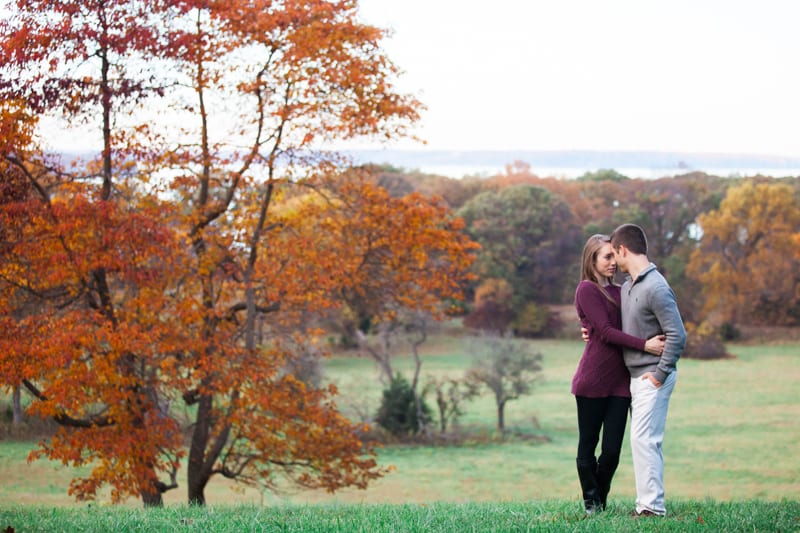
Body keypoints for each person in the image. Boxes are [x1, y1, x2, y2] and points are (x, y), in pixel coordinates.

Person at [572, 234, 665, 515]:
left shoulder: (622, 291)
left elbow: (634, 322)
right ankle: (593, 504)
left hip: (621, 382)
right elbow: (607, 332)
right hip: (592, 379)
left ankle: (600, 498)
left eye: (615, 256)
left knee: (612, 451)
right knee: (588, 444)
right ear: (593, 260)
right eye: (606, 257)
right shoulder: (586, 289)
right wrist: (645, 345)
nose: (613, 262)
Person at [610, 223, 686, 518]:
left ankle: (652, 508)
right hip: (635, 376)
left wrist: (660, 374)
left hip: (652, 375)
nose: (614, 262)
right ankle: (647, 503)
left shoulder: (656, 287)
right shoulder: (629, 287)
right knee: (643, 440)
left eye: (614, 255)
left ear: (622, 250)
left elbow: (677, 335)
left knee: (644, 439)